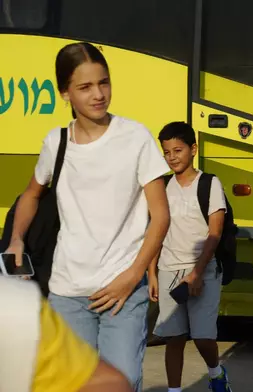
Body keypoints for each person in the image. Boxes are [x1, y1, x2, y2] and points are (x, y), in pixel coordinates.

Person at [3, 41, 171, 392]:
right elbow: (31, 195)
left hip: (122, 293)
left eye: (104, 83)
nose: (98, 94)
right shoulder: (56, 142)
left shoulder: (135, 137)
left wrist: (133, 275)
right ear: (65, 92)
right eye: (85, 87)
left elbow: (161, 216)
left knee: (120, 383)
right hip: (67, 292)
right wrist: (17, 238)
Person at [149, 121, 232, 392]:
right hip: (169, 270)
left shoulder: (210, 183)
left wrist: (196, 273)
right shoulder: (161, 186)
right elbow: (155, 233)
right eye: (167, 152)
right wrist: (152, 272)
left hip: (204, 271)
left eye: (178, 150)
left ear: (193, 149)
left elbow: (215, 232)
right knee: (173, 337)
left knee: (202, 336)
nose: (172, 157)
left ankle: (216, 373)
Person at [0, 276, 133, 392]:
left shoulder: (14, 309)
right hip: (66, 290)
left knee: (127, 369)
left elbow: (103, 382)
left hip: (117, 290)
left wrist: (134, 274)